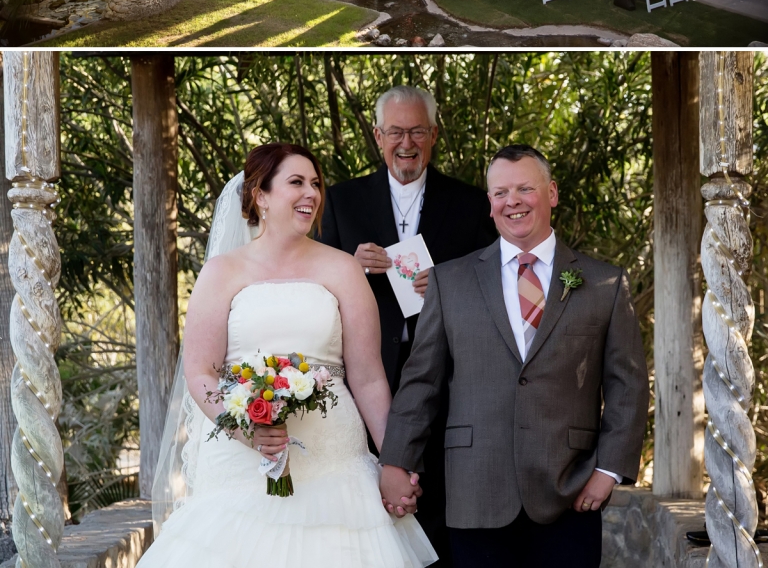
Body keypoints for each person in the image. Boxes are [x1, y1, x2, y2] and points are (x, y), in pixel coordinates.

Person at [145, 144, 436, 568]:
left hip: (334, 462)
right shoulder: (222, 273)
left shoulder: (343, 269)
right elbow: (200, 373)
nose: (311, 194)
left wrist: (394, 460)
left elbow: (370, 378)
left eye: (316, 184)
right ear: (260, 195)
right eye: (296, 182)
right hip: (241, 463)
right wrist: (246, 429)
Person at [379, 145, 649, 568]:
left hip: (570, 490)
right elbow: (421, 383)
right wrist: (396, 461)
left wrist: (609, 470)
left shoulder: (604, 283)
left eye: (525, 188)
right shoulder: (451, 281)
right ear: (490, 204)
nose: (513, 201)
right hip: (474, 491)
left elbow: (627, 386)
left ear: (552, 193)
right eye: (501, 192)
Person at [321, 88, 497, 562]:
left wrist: (445, 282)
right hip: (363, 379)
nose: (407, 142)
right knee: (369, 508)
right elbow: (314, 291)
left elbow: (492, 287)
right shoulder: (341, 201)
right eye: (396, 131)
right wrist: (347, 266)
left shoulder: (470, 203)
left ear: (434, 135)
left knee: (438, 505)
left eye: (417, 130)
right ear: (378, 137)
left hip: (450, 378)